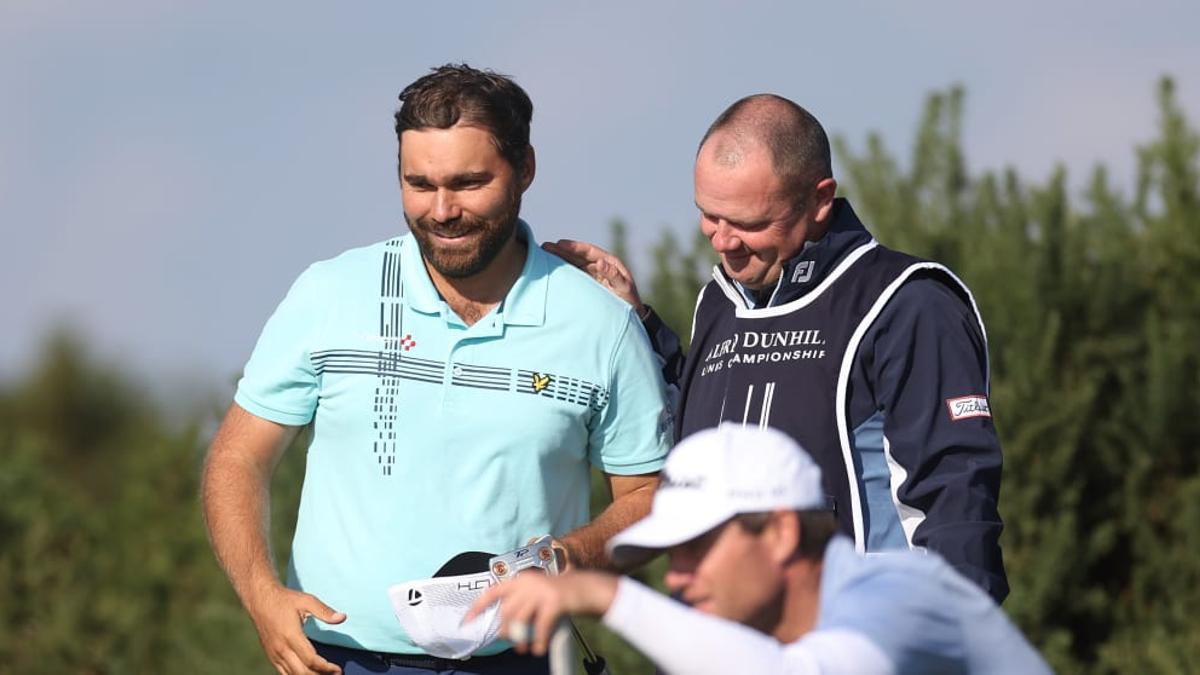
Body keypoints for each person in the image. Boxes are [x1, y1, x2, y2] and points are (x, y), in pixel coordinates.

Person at [201, 64, 672, 675]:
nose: (442, 211)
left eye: (469, 183)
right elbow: (238, 458)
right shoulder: (329, 293)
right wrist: (261, 596)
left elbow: (650, 495)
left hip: (520, 661)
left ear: (525, 169)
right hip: (339, 661)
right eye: (419, 184)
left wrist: (570, 556)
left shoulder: (601, 323)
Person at [545, 93, 1008, 602]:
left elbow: (956, 490)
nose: (723, 242)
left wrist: (958, 636)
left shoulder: (907, 301)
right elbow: (696, 441)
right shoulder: (720, 301)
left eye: (747, 223)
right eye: (709, 215)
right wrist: (637, 323)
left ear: (819, 200)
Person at [468, 425, 1050, 674]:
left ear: (781, 532)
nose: (676, 577)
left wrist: (608, 595)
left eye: (697, 547)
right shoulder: (771, 636)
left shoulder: (898, 595)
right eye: (673, 555)